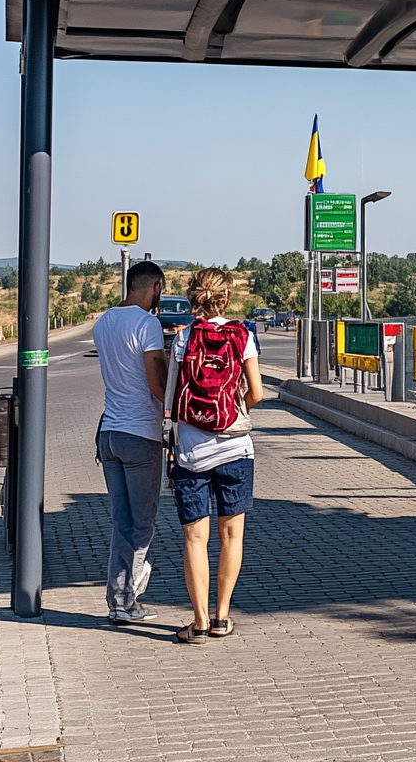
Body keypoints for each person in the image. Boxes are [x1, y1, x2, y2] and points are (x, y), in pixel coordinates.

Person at [166, 268, 263, 645]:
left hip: (192, 451)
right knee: (232, 534)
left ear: (194, 298)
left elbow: (172, 400)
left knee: (195, 537)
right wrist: (234, 410)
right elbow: (256, 393)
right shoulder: (243, 336)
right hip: (236, 447)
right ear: (226, 298)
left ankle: (200, 621)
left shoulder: (183, 338)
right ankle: (223, 616)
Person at [92, 259, 167, 624]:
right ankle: (125, 602)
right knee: (141, 524)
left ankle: (117, 599)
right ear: (155, 287)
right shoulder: (148, 323)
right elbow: (156, 385)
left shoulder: (103, 321)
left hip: (109, 434)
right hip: (141, 436)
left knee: (121, 522)